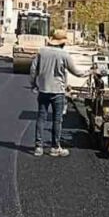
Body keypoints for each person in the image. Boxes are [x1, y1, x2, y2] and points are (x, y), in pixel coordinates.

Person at [28, 29, 87, 157]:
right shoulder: (64, 55)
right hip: (58, 92)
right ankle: (55, 147)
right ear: (63, 42)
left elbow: (33, 70)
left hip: (43, 90)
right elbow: (76, 72)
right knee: (57, 120)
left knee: (41, 118)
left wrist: (33, 84)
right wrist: (91, 72)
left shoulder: (41, 52)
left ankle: (38, 147)